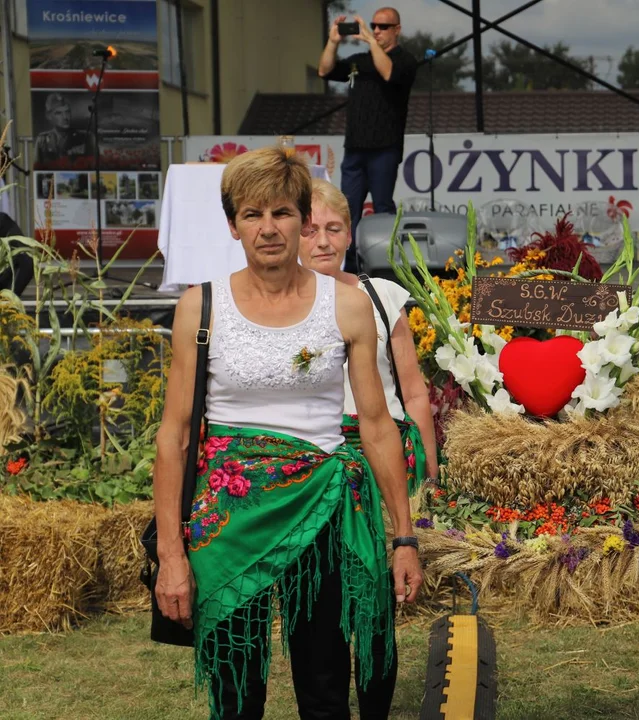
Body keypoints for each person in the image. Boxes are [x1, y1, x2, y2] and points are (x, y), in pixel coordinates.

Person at [152, 146, 422, 720]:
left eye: (281, 213)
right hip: (229, 518)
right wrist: (171, 557)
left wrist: (404, 538)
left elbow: (375, 427)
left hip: (322, 508)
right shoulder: (200, 308)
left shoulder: (347, 307)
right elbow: (174, 436)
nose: (268, 228)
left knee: (324, 686)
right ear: (232, 225)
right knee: (234, 694)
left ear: (302, 220)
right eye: (252, 214)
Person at [299, 178, 439, 491]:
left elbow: (414, 393)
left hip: (387, 463)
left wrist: (431, 477)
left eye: (333, 229)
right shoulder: (281, 307)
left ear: (349, 236)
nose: (323, 241)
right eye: (309, 230)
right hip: (313, 467)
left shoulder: (383, 296)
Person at [318, 7, 417, 272]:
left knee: (383, 207)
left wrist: (372, 43)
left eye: (383, 27)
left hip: (384, 148)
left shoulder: (405, 60)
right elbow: (325, 71)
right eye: (374, 26)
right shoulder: (359, 61)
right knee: (346, 211)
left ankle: (386, 268)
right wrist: (333, 42)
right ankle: (349, 269)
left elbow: (388, 73)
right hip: (355, 149)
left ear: (397, 29)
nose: (376, 31)